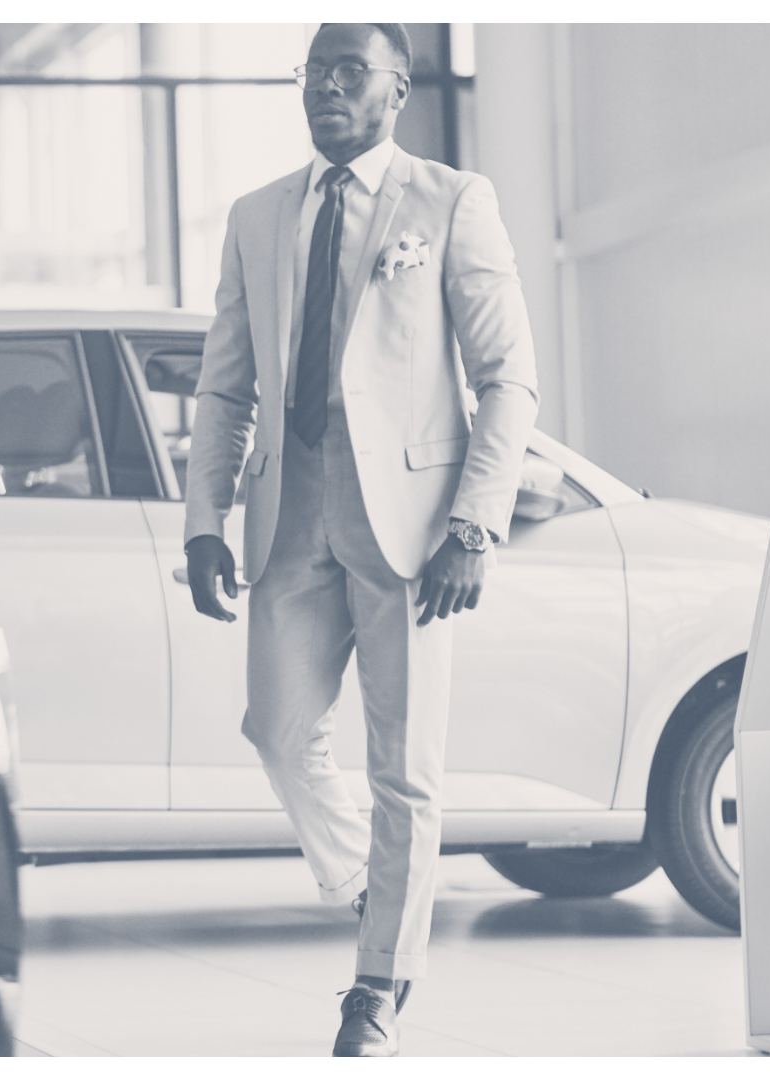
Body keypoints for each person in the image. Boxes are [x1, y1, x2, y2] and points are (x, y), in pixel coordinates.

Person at [181, 22, 538, 1057]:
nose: (327, 89)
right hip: (289, 517)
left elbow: (507, 375)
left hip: (414, 531)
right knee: (279, 733)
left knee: (406, 772)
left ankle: (377, 990)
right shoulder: (257, 216)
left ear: (397, 91)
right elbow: (224, 384)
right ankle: (373, 883)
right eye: (315, 73)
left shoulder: (451, 201)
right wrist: (204, 522)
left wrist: (475, 522)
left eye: (351, 73)